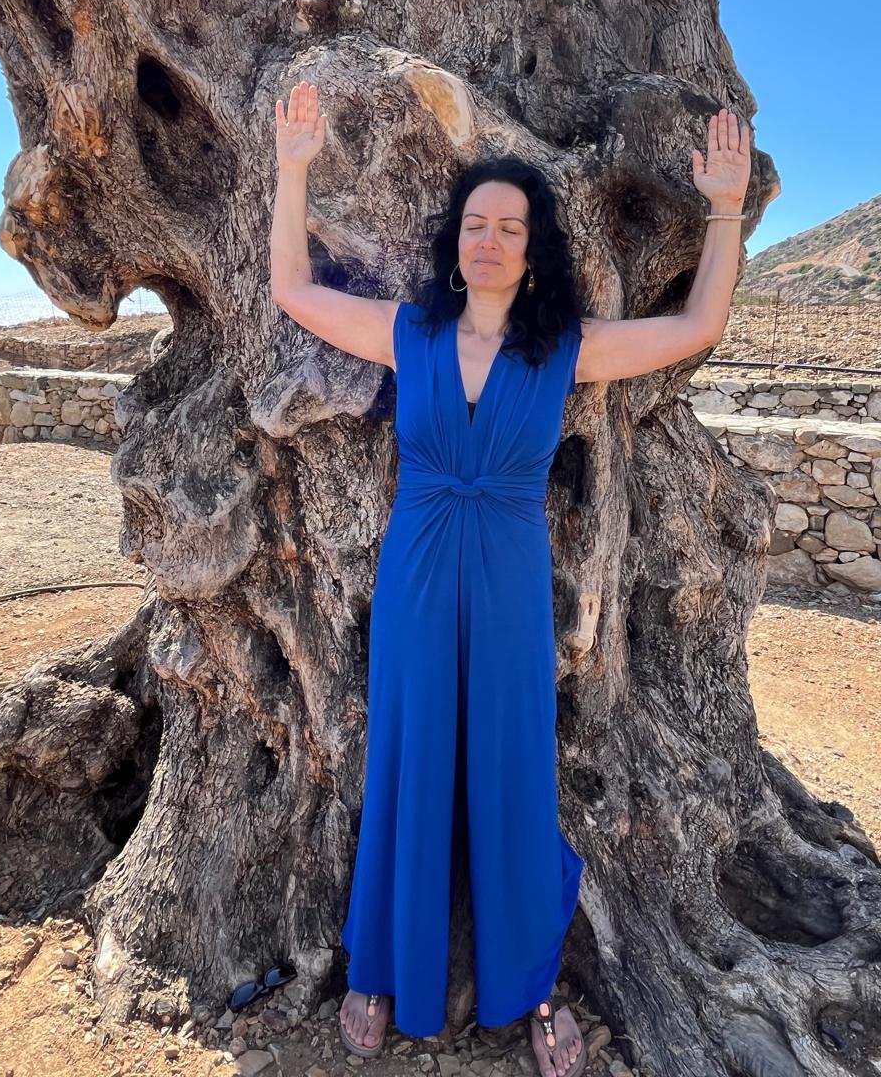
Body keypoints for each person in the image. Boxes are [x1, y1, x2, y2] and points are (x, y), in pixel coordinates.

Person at [271, 81, 750, 1076]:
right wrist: (292, 169)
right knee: (405, 759)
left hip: (510, 585)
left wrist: (724, 208)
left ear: (533, 252)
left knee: (512, 771)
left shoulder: (565, 352)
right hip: (414, 574)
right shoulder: (409, 333)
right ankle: (382, 966)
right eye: (475, 223)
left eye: (509, 227)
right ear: (456, 241)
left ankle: (528, 984)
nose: (489, 239)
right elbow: (294, 290)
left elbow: (698, 323)